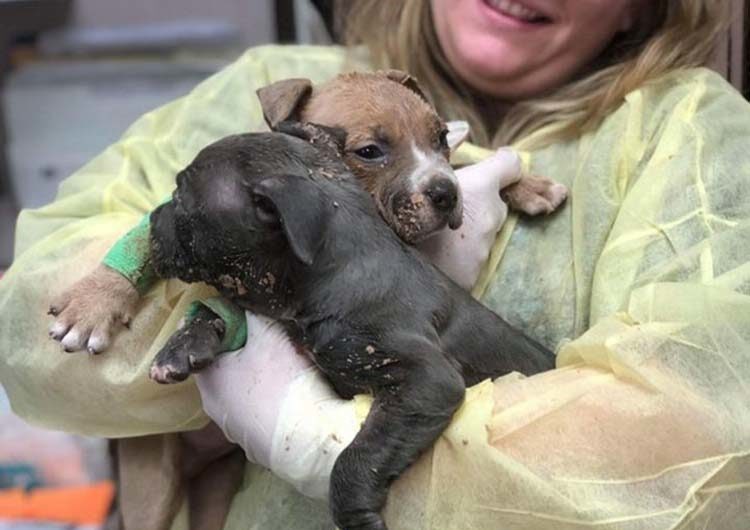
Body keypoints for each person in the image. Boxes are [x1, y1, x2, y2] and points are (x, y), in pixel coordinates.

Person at [0, 0, 748, 529]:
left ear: (640, 9)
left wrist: (316, 440)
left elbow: (699, 441)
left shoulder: (685, 135)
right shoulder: (283, 91)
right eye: (367, 153)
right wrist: (233, 360)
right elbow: (49, 321)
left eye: (439, 145)